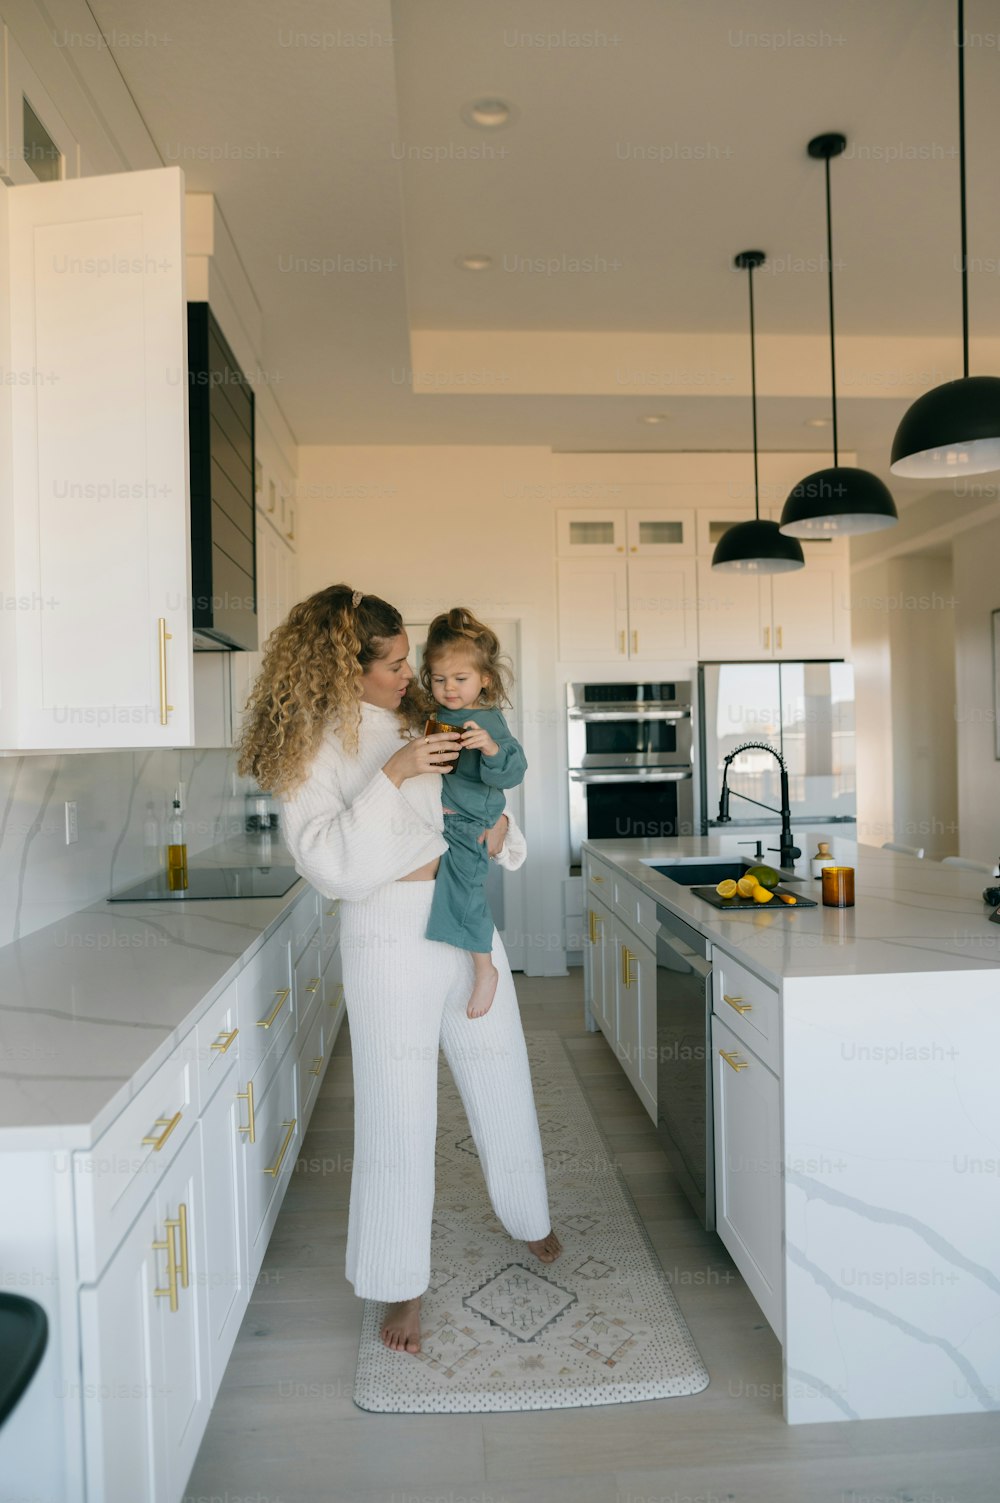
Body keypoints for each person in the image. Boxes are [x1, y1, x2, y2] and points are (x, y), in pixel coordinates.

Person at [236, 583, 561, 1357]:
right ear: (344, 670)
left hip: (465, 919)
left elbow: (478, 798)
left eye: (407, 656)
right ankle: (400, 1283)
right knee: (397, 1108)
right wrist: (395, 773)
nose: (407, 671)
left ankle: (529, 1216)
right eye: (389, 663)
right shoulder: (311, 745)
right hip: (385, 934)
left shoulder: (429, 711)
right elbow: (329, 864)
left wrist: (503, 828)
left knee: (502, 1070)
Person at [420, 607, 527, 1021]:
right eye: (440, 679)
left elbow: (514, 772)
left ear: (484, 678)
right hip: (442, 818)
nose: (449, 689)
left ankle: (485, 969)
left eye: (460, 679)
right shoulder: (437, 713)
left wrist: (490, 748)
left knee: (465, 891)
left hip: (468, 824)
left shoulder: (488, 719)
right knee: (445, 887)